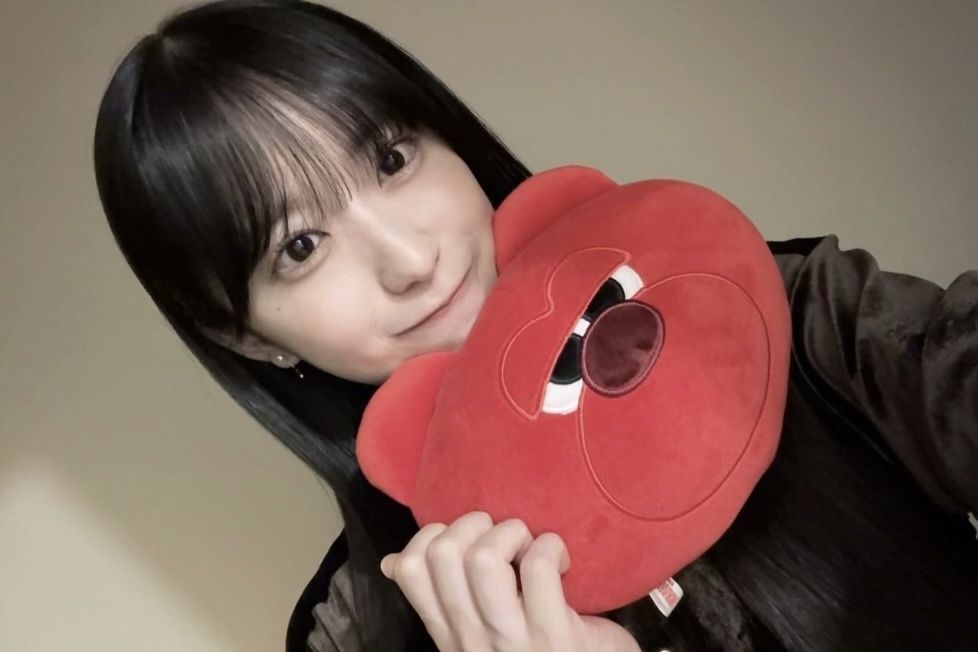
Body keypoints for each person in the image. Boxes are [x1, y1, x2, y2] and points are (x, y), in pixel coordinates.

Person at [92, 1, 978, 650]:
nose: (410, 258)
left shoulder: (768, 307)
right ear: (248, 337)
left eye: (392, 158)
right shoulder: (355, 629)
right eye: (300, 246)